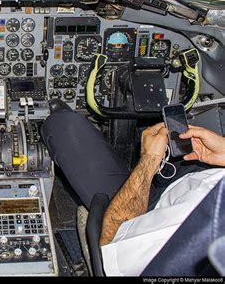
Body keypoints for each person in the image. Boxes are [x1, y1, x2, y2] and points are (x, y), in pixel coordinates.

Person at [40, 101, 225, 276]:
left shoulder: (203, 228)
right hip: (204, 170)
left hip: (145, 213)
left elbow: (113, 242)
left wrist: (149, 160)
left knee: (64, 125)